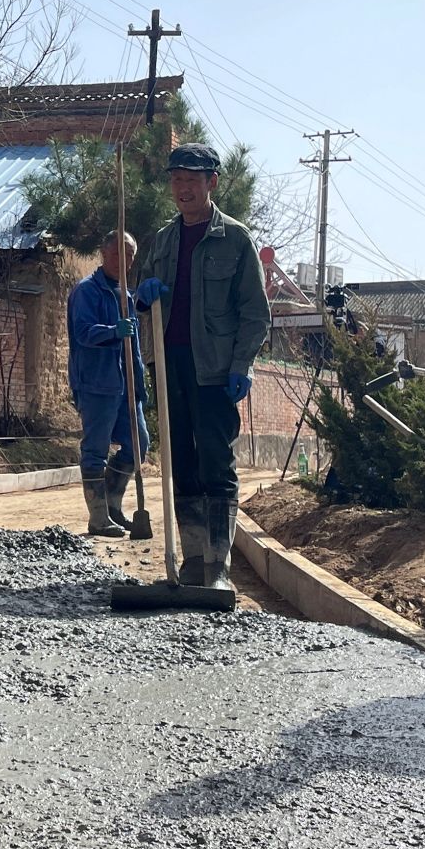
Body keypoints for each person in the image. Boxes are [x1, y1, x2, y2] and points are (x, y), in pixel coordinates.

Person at [132, 142, 272, 590]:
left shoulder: (235, 239)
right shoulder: (163, 240)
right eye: (176, 180)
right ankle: (193, 560)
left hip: (214, 370)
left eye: (192, 180)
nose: (183, 189)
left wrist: (242, 365)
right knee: (181, 462)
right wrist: (142, 295)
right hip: (169, 366)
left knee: (216, 462)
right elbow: (140, 296)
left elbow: (255, 313)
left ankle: (217, 566)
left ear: (212, 182)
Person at [67, 230, 150, 537]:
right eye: (118, 254)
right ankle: (98, 517)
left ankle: (113, 504)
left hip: (125, 386)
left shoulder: (126, 295)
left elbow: (135, 348)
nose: (123, 261)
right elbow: (83, 333)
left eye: (129, 255)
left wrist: (139, 385)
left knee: (139, 444)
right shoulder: (87, 291)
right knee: (95, 450)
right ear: (104, 254)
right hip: (97, 383)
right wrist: (113, 331)